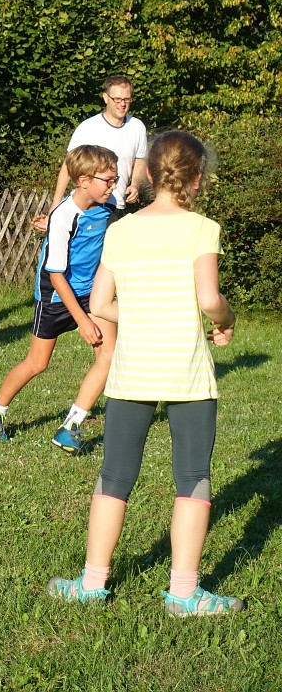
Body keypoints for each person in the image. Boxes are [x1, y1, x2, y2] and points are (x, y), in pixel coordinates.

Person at [47, 130, 243, 616]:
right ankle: (183, 594)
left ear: (149, 174)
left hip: (132, 370)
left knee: (114, 475)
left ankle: (91, 584)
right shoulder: (203, 228)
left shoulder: (121, 230)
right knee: (192, 477)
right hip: (187, 372)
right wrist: (226, 320)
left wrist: (141, 315)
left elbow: (99, 304)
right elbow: (209, 300)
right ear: (197, 178)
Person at [0, 145, 118, 452]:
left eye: (116, 179)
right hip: (56, 294)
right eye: (108, 180)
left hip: (92, 292)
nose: (113, 186)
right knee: (37, 363)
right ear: (83, 181)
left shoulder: (107, 205)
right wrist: (83, 321)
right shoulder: (65, 216)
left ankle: (71, 427)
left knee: (108, 355)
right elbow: (56, 275)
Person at [32, 75, 147, 231]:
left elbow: (140, 161)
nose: (122, 104)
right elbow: (68, 166)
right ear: (106, 98)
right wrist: (55, 208)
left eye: (127, 99)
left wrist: (135, 185)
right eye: (117, 99)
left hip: (118, 205)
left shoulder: (137, 127)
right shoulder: (88, 128)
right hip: (90, 206)